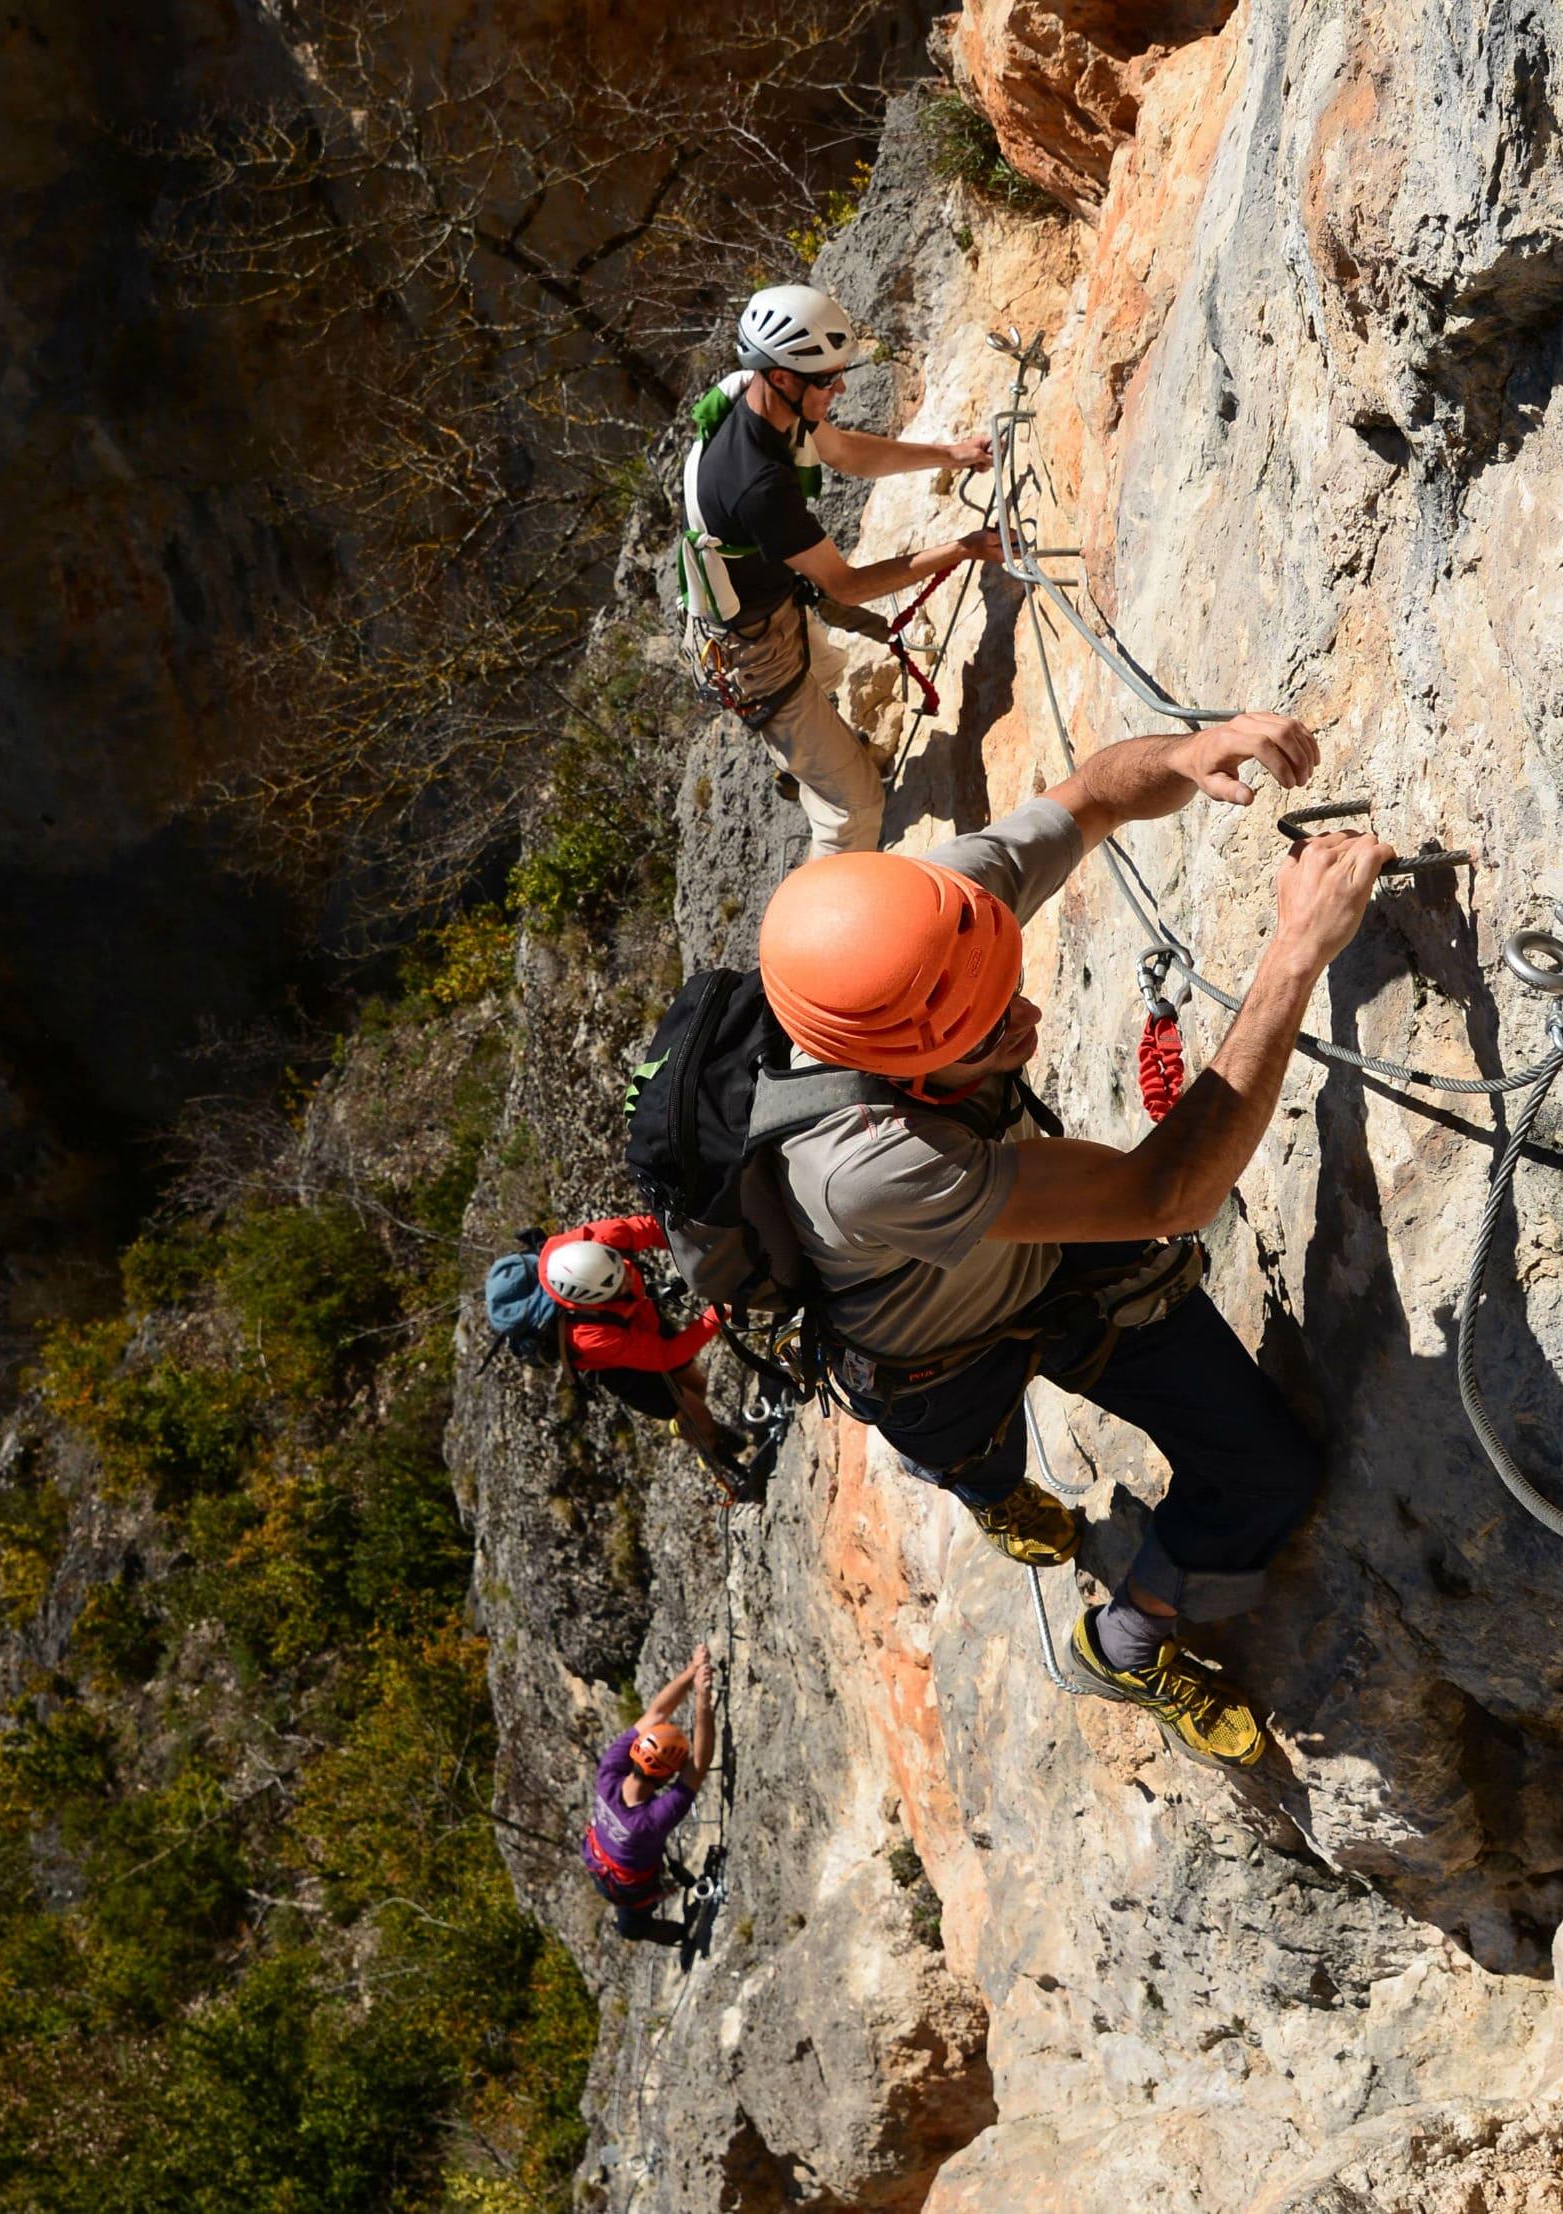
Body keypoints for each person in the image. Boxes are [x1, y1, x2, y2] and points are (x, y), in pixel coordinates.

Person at [755, 711, 1398, 1769]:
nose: (1023, 1005)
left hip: (1039, 1242)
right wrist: (1296, 949)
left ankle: (1123, 1644)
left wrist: (1187, 755)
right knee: (985, 1457)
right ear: (910, 1056)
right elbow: (1169, 1191)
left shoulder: (925, 926)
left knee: (1266, 1473)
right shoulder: (862, 1162)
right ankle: (992, 1491)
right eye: (986, 1024)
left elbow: (1096, 791)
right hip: (930, 1354)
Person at [690, 283, 1002, 858]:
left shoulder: (752, 396)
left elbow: (846, 453)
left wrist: (951, 453)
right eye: (828, 378)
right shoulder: (759, 484)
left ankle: (813, 758)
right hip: (754, 657)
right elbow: (849, 585)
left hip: (767, 608)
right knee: (855, 807)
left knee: (827, 670)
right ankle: (815, 935)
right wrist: (961, 549)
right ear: (783, 376)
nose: (841, 386)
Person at [539, 1215, 748, 1482]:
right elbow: (665, 1356)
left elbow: (652, 1229)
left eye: (623, 1269)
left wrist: (703, 1250)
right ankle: (711, 1448)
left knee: (696, 1385)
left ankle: (688, 1423)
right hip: (619, 1368)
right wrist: (720, 1312)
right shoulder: (589, 1336)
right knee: (696, 1414)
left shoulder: (598, 1240)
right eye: (618, 1286)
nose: (628, 1278)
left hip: (639, 1317)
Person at [582, 1647, 716, 1944]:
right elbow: (699, 1765)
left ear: (637, 1750)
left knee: (631, 1929)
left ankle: (677, 1936)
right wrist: (703, 1699)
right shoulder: (650, 1821)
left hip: (601, 1870)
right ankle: (682, 1935)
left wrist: (692, 1670)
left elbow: (655, 1714)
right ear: (668, 1775)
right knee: (632, 1925)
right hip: (628, 1889)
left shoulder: (609, 1772)